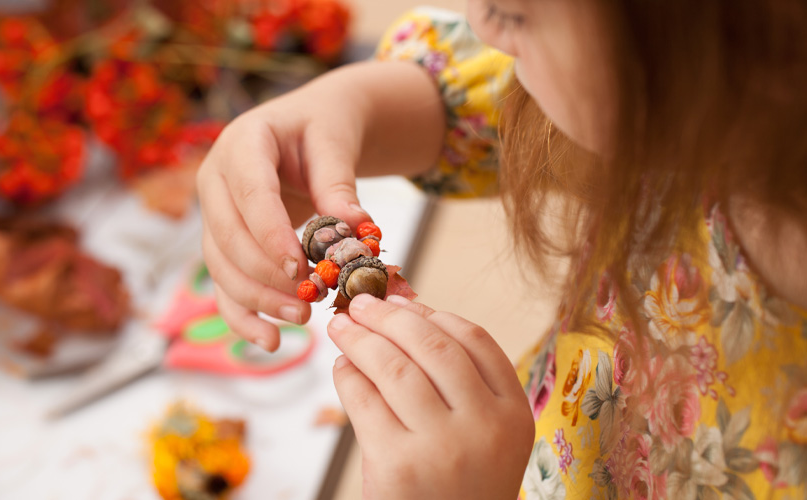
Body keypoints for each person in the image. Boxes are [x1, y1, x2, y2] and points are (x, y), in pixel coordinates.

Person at [197, 1, 807, 498]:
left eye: (513, 14)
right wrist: (337, 111)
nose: (482, 21)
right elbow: (481, 100)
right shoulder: (691, 119)